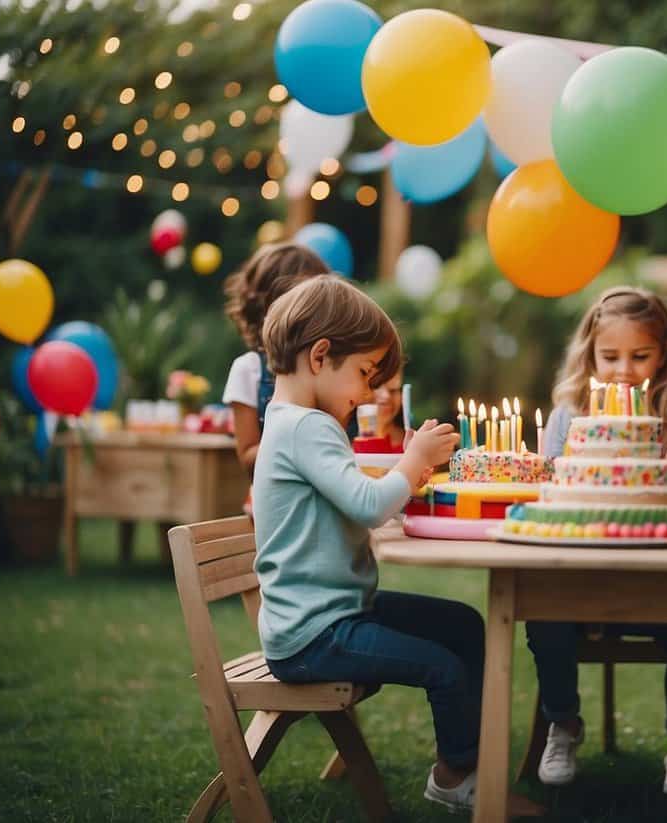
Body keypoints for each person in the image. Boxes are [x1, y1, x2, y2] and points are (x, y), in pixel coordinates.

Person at [252, 274, 542, 817]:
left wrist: (408, 478)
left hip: (335, 613)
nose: (366, 393)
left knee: (462, 624)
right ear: (320, 356)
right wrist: (412, 465)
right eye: (363, 374)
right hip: (315, 634)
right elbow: (367, 504)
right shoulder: (306, 429)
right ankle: (456, 778)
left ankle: (466, 768)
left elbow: (359, 500)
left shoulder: (297, 424)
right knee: (445, 665)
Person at [528, 286, 667, 796]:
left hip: (660, 579)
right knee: (542, 615)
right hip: (582, 575)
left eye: (640, 356)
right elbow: (548, 491)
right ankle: (563, 723)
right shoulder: (570, 418)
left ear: (665, 355)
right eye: (609, 356)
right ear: (589, 354)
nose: (623, 369)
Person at [221, 242, 328, 478]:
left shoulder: (329, 365)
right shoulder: (249, 370)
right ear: (267, 307)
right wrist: (297, 444)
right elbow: (248, 456)